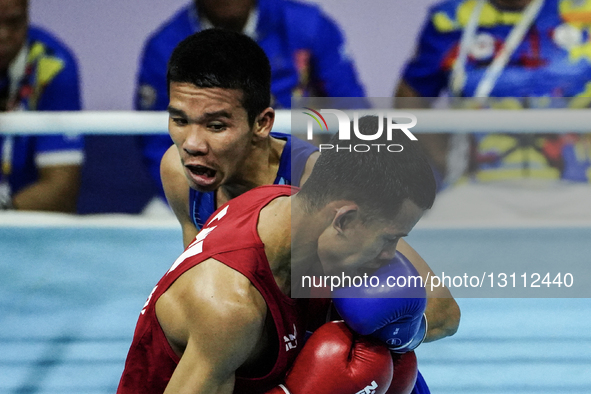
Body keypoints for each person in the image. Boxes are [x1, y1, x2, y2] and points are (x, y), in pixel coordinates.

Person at [117, 114, 437, 393]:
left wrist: (403, 334)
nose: (389, 256)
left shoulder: (282, 203)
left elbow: (446, 314)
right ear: (344, 219)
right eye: (389, 239)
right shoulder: (230, 308)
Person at [135, 0, 366, 201]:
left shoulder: (306, 25)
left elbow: (352, 110)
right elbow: (155, 144)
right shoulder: (163, 47)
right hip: (206, 187)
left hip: (306, 181)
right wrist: (206, 202)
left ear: (264, 121)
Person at [395, 0, 591, 188]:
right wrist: (443, 158)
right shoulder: (449, 19)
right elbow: (410, 96)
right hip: (477, 186)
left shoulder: (584, 11)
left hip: (579, 183)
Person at [0, 0, 84, 212]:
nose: (3, 35)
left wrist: (4, 215)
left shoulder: (53, 65)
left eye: (14, 22)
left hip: (24, 227)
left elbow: (61, 189)